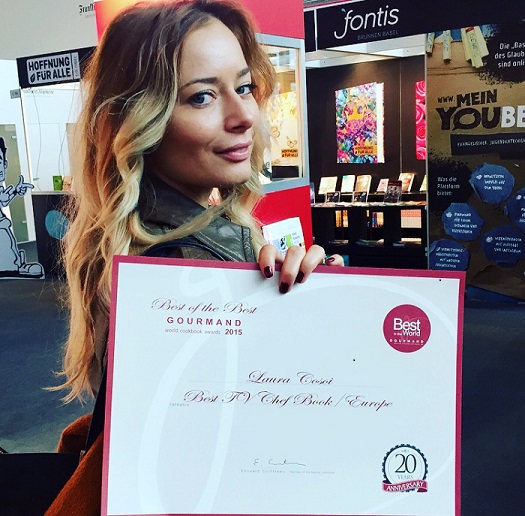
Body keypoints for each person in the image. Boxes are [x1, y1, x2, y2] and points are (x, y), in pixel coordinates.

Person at [47, 0, 342, 511]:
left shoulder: (146, 243)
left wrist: (322, 307)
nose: (244, 115)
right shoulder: (183, 268)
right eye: (202, 96)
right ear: (140, 119)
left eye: (244, 87)